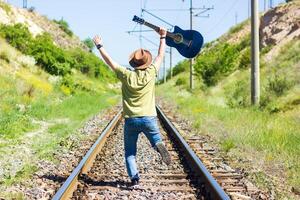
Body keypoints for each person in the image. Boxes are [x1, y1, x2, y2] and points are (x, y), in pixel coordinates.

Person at [93, 27, 171, 187]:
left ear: (134, 63)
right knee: (156, 137)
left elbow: (110, 62)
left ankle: (135, 179)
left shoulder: (126, 74)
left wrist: (100, 46)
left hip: (131, 120)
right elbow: (161, 55)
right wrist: (163, 37)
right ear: (146, 62)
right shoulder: (151, 72)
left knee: (130, 152)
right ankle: (158, 145)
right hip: (149, 117)